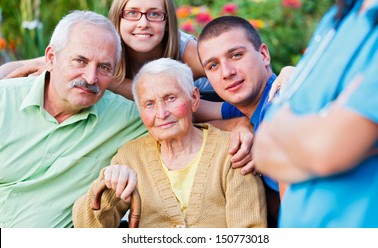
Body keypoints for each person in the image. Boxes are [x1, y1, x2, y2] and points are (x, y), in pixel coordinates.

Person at [253, 0, 378, 227]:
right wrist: (322, 134)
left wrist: (292, 130)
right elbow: (264, 149)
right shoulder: (339, 18)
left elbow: (326, 150)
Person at [72, 58, 267, 228]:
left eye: (170, 98)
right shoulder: (130, 155)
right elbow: (86, 229)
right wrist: (108, 186)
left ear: (194, 99)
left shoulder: (232, 151)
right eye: (149, 104)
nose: (162, 113)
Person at [0, 10, 147, 228]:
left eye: (104, 67)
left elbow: (183, 121)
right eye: (80, 61)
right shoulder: (5, 99)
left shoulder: (128, 118)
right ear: (51, 58)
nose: (90, 78)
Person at [0, 0, 213, 100]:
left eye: (155, 14)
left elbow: (157, 94)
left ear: (168, 22)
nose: (143, 23)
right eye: (132, 13)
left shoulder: (186, 50)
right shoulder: (103, 48)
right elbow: (11, 69)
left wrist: (108, 82)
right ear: (117, 18)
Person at [196, 16, 281, 227]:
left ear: (263, 55)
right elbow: (186, 113)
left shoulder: (280, 108)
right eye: (213, 65)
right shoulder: (245, 106)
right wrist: (238, 124)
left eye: (236, 55)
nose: (227, 72)